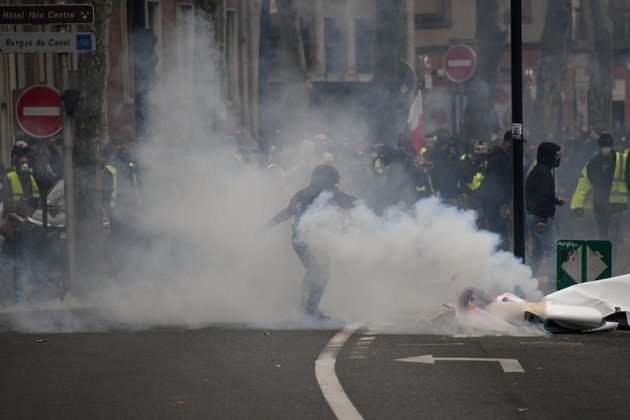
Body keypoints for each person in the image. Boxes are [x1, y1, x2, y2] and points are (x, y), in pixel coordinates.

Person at [258, 164, 357, 321]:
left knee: (313, 271)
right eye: (334, 181)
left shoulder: (302, 193)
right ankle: (310, 310)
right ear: (330, 180)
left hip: (300, 240)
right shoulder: (330, 193)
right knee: (320, 272)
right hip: (312, 241)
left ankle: (307, 308)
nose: (335, 185)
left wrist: (266, 228)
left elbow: (285, 213)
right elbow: (353, 202)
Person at [571, 132, 630, 264]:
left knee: (613, 234)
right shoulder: (592, 164)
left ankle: (612, 259)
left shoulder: (623, 159)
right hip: (600, 206)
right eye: (602, 145)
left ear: (613, 145)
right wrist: (577, 204)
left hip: (616, 205)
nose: (605, 148)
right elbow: (583, 185)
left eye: (607, 145)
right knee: (602, 236)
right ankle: (604, 262)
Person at [525, 142, 565, 292]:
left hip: (533, 216)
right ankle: (554, 288)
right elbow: (540, 197)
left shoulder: (538, 170)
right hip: (540, 218)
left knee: (536, 253)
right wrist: (543, 218)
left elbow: (538, 195)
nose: (557, 157)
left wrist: (554, 201)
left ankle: (523, 285)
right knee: (553, 252)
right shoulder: (544, 173)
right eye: (555, 154)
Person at [1, 155, 40, 302]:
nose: (25, 165)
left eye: (27, 162)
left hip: (25, 225)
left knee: (21, 257)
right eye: (22, 162)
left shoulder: (30, 178)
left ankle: (21, 292)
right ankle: (18, 293)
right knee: (13, 256)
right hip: (14, 224)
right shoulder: (10, 177)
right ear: (17, 163)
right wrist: (13, 213)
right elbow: (7, 200)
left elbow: (35, 198)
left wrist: (29, 214)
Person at [102, 143, 143, 277]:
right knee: (129, 240)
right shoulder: (134, 169)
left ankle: (120, 269)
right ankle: (129, 269)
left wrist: (107, 208)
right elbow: (140, 188)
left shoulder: (110, 168)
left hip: (116, 212)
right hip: (131, 211)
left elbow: (104, 191)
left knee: (118, 241)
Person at [478, 131, 513, 251]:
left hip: (496, 203)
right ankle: (499, 266)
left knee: (501, 238)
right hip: (494, 205)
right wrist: (502, 204)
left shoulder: (503, 156)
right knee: (499, 240)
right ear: (508, 143)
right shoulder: (498, 158)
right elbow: (495, 183)